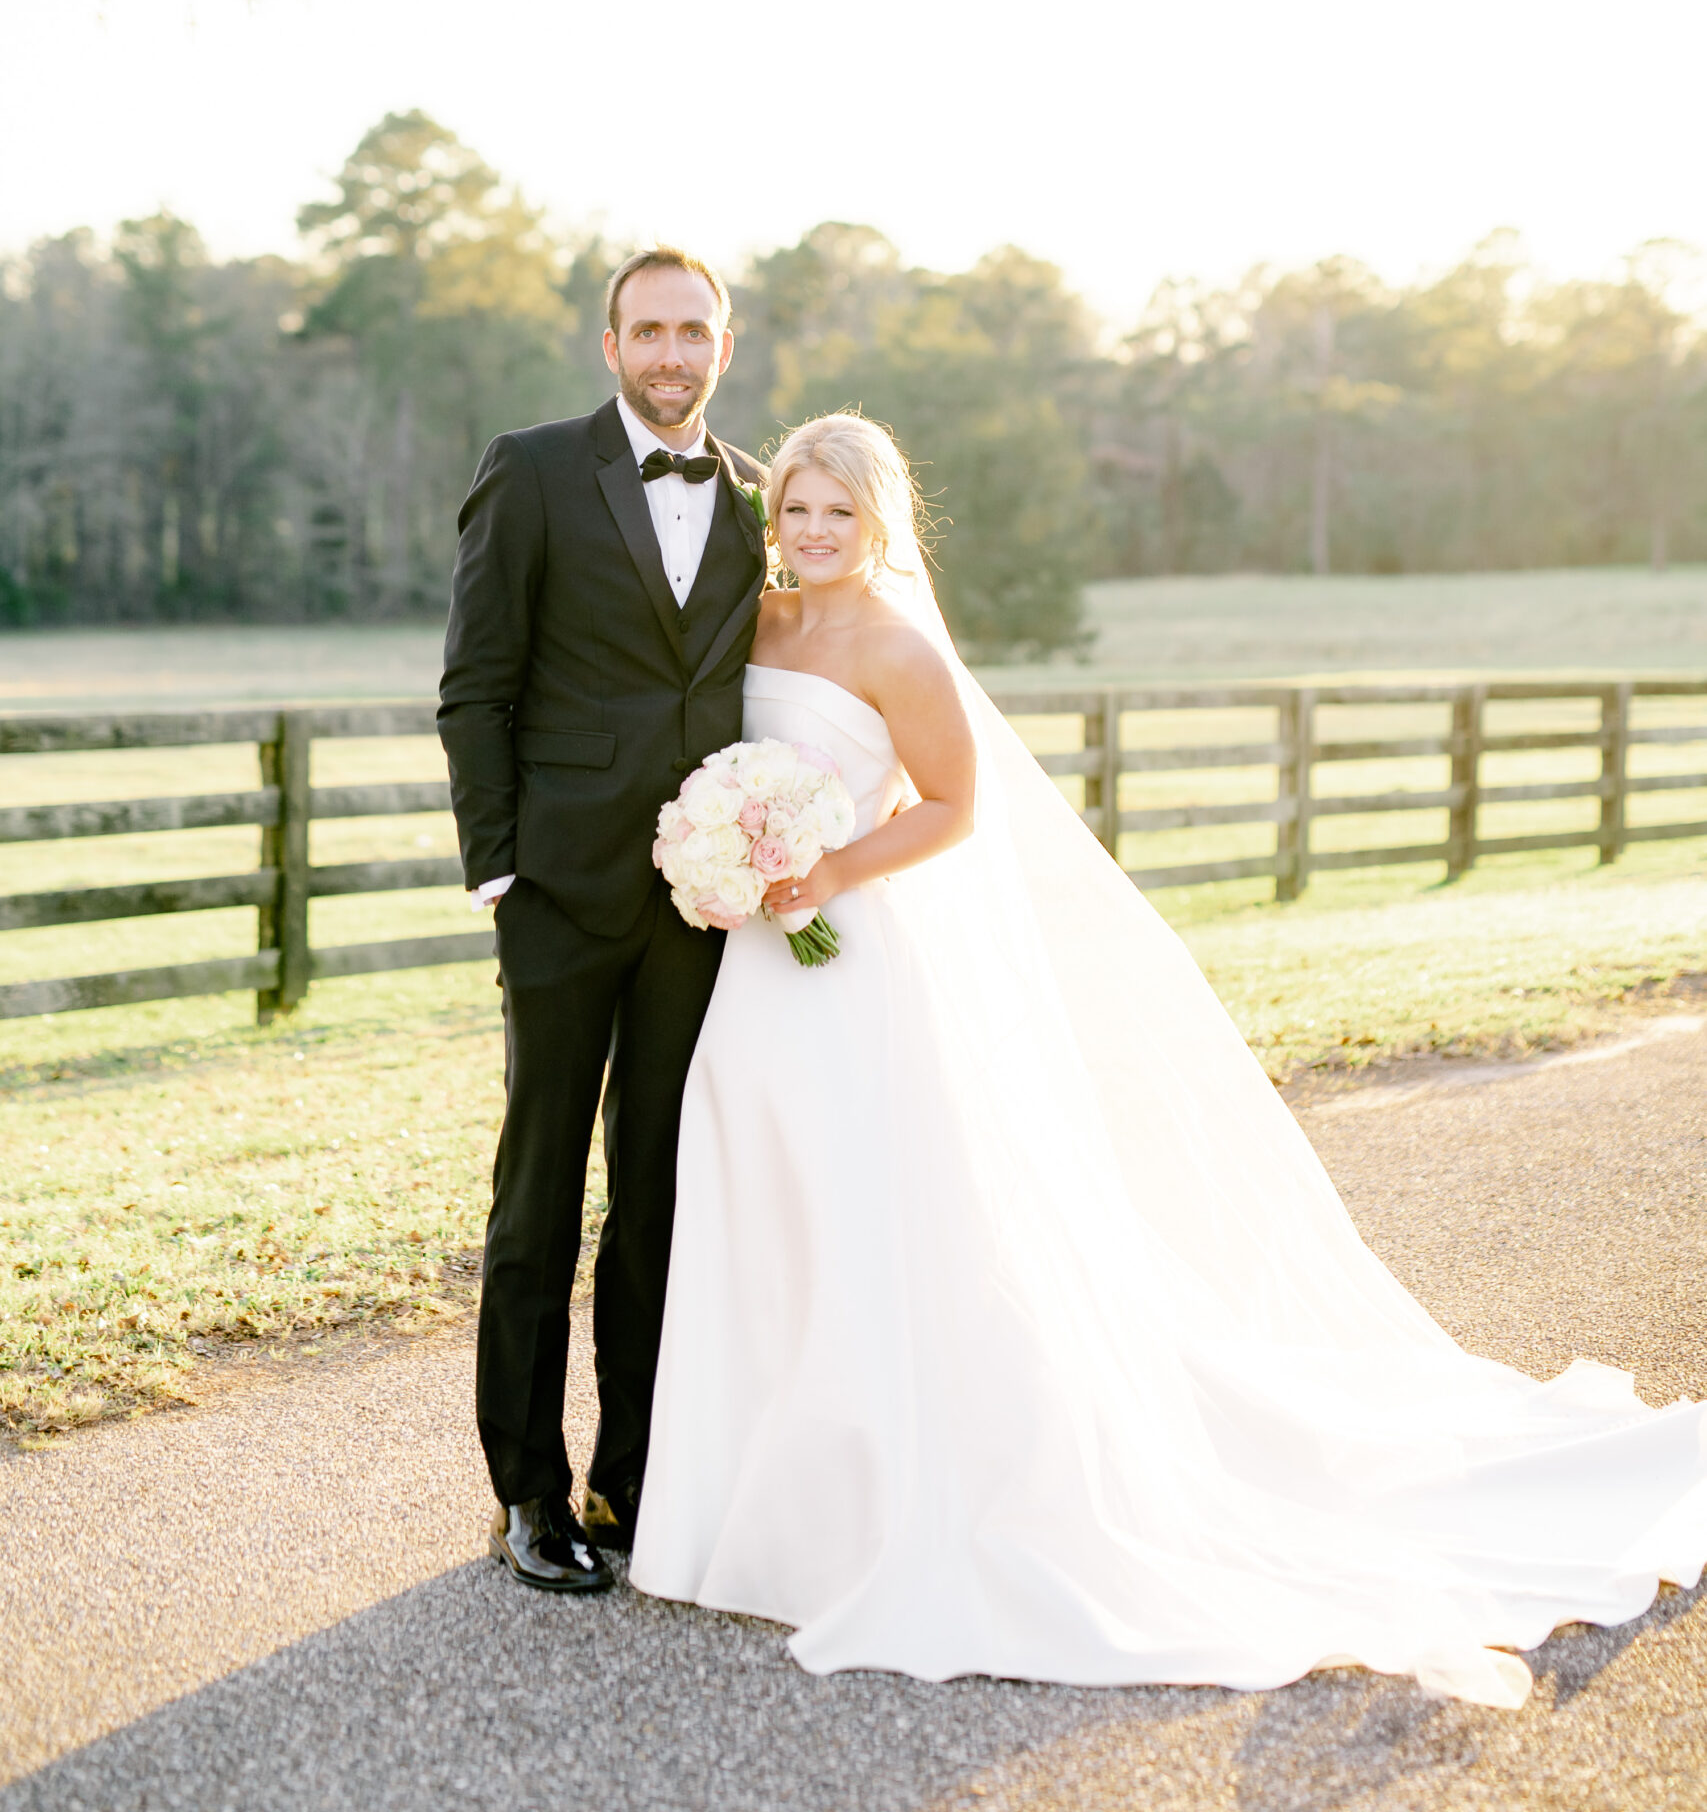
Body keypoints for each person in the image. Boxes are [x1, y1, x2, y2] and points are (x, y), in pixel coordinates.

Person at [631, 411, 1707, 1708]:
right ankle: (752, 1503)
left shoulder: (898, 646)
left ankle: (883, 1502)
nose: (811, 534)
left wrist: (824, 868)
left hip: (851, 956)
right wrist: (726, 858)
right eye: (795, 511)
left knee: (880, 1210)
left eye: (835, 515)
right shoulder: (758, 623)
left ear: (877, 522)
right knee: (762, 1184)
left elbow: (955, 809)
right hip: (759, 967)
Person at [439, 248, 766, 1594]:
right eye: (650, 331)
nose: (672, 354)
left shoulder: (760, 499)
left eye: (694, 332)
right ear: (611, 341)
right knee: (539, 1197)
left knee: (660, 1201)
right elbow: (476, 686)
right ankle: (526, 1488)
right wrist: (501, 869)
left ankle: (633, 1474)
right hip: (562, 897)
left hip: (701, 911)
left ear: (724, 345)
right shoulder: (533, 470)